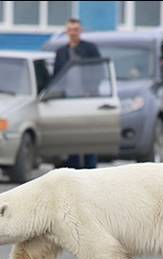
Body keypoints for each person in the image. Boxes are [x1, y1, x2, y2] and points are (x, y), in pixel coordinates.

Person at [54, 18, 101, 169]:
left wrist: (91, 90)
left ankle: (91, 169)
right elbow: (56, 76)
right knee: (71, 137)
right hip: (68, 100)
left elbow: (98, 71)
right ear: (67, 32)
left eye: (76, 30)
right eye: (70, 30)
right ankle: (73, 170)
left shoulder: (90, 49)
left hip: (87, 99)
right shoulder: (61, 52)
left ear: (81, 31)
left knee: (89, 137)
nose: (73, 33)